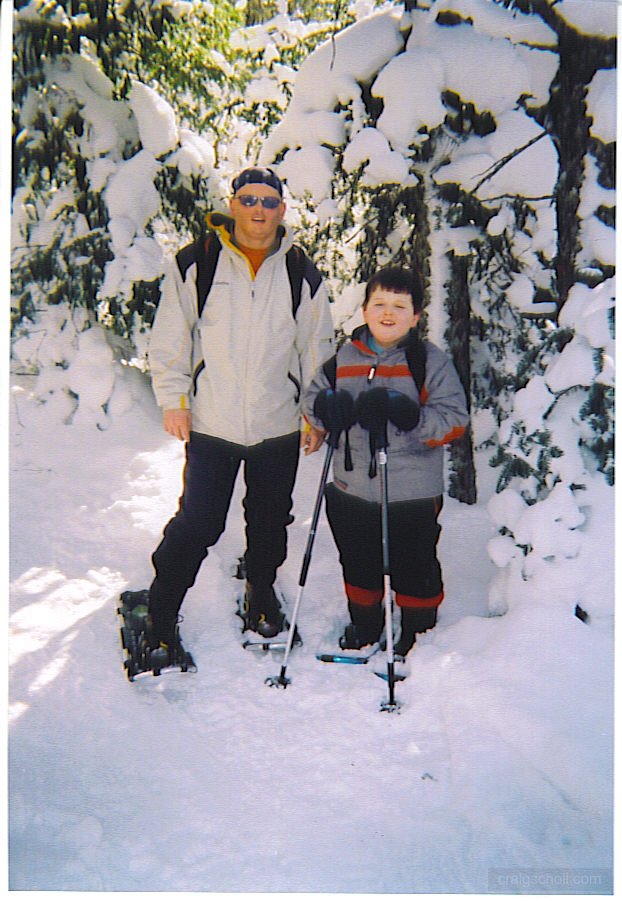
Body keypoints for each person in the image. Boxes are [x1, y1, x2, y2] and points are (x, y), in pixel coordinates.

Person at [144, 166, 334, 655]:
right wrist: (174, 400)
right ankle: (162, 610)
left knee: (271, 519)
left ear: (281, 211)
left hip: (277, 424)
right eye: (248, 200)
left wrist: (315, 413)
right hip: (213, 423)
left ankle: (261, 590)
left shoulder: (299, 272)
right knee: (200, 522)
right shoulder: (197, 263)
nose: (258, 211)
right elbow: (171, 336)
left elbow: (316, 346)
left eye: (269, 202)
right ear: (232, 206)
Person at [302, 266, 469, 658]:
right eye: (379, 304)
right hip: (350, 486)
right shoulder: (342, 358)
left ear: (415, 316)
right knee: (358, 560)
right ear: (364, 310)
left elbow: (455, 420)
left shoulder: (428, 361)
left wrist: (410, 416)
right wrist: (326, 409)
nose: (388, 313)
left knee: (414, 562)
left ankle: (417, 629)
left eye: (399, 305)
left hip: (411, 489)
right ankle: (365, 624)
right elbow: (312, 400)